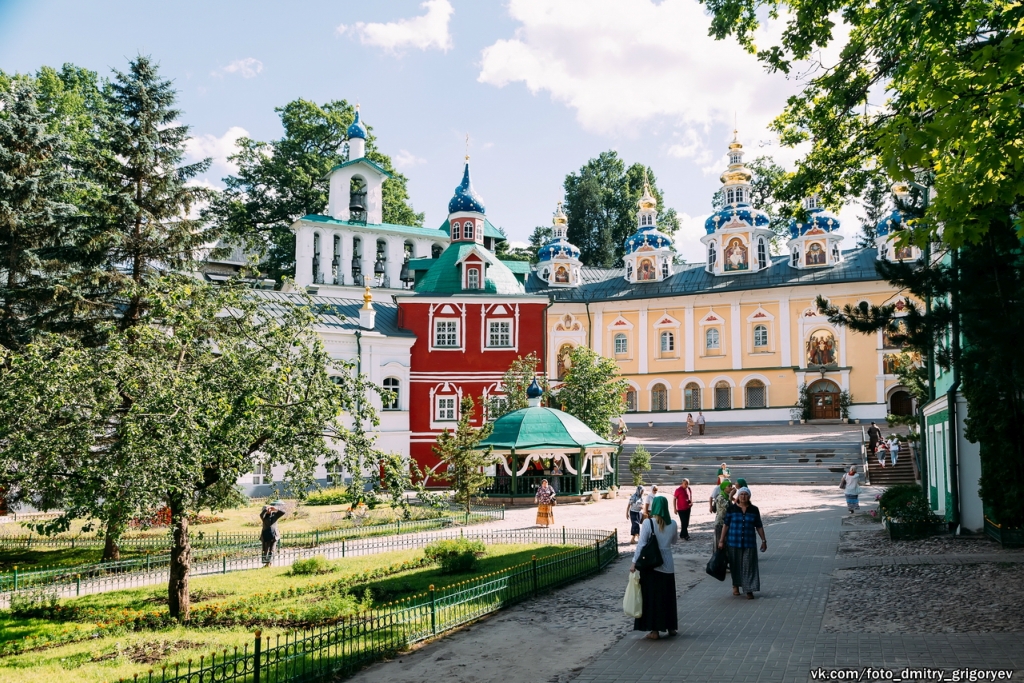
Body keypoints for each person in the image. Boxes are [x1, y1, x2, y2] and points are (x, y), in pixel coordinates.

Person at [630, 496, 678, 639]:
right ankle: (671, 627)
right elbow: (674, 541)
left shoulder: (648, 523)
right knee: (668, 597)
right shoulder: (673, 524)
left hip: (652, 564)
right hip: (668, 563)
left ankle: (655, 630)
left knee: (652, 598)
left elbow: (642, 544)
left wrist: (634, 562)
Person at [719, 487, 767, 599]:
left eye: (746, 494)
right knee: (735, 565)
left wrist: (763, 540)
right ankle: (735, 585)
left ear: (749, 496)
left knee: (749, 566)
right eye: (741, 494)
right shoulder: (732, 509)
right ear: (738, 496)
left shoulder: (754, 510)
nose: (743, 496)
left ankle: (749, 589)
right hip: (733, 542)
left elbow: (759, 526)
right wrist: (721, 540)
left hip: (749, 543)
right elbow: (726, 525)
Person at [260, 502, 287, 567]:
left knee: (272, 550)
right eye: (268, 509)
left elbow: (283, 512)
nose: (269, 510)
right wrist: (265, 510)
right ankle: (266, 563)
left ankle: (270, 563)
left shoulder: (275, 515)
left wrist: (276, 509)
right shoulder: (264, 517)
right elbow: (261, 515)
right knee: (265, 550)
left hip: (274, 535)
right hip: (266, 535)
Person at [712, 480, 733, 554]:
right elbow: (728, 507)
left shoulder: (726, 496)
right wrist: (731, 497)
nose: (731, 488)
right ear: (724, 488)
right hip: (720, 523)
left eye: (731, 486)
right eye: (729, 486)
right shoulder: (721, 497)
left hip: (726, 523)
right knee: (720, 543)